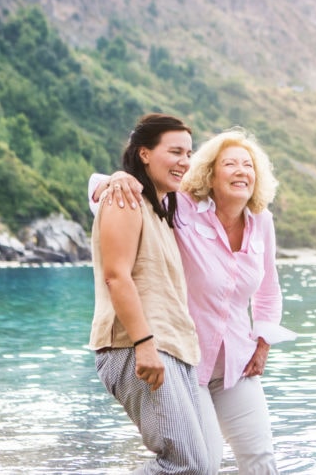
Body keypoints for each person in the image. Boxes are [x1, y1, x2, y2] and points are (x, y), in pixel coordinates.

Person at [92, 127, 295, 475]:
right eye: (230, 164)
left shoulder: (262, 221)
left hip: (237, 362)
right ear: (210, 174)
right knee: (203, 464)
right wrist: (114, 178)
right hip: (187, 362)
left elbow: (269, 290)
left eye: (248, 165)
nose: (241, 171)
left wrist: (263, 342)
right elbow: (122, 197)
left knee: (261, 458)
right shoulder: (181, 205)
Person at [88, 113, 221, 475]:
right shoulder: (124, 199)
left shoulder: (161, 208)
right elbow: (117, 277)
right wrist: (144, 342)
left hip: (173, 347)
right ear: (144, 153)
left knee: (205, 464)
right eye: (175, 151)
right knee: (186, 465)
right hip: (137, 346)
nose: (185, 162)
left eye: (189, 153)